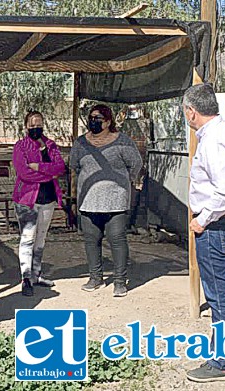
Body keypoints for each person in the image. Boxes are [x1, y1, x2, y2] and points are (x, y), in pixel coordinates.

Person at [183, 84, 225, 383]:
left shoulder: (214, 142)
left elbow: (223, 192)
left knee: (218, 293)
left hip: (216, 224)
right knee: (221, 290)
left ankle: (221, 361)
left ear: (191, 111)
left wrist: (202, 220)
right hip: (224, 221)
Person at [69, 104, 142, 298]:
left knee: (117, 239)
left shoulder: (123, 142)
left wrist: (126, 182)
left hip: (115, 200)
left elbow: (136, 163)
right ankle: (95, 277)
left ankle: (119, 281)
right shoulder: (80, 143)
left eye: (98, 118)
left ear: (108, 121)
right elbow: (74, 166)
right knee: (91, 240)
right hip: (88, 200)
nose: (94, 121)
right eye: (91, 118)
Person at [12, 111, 65, 296]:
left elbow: (61, 167)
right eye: (32, 124)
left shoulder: (50, 145)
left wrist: (40, 167)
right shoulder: (21, 146)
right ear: (26, 126)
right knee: (27, 238)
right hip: (27, 199)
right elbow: (24, 172)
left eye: (39, 123)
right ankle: (26, 278)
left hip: (48, 199)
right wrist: (50, 174)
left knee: (41, 239)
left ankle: (36, 274)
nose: (36, 127)